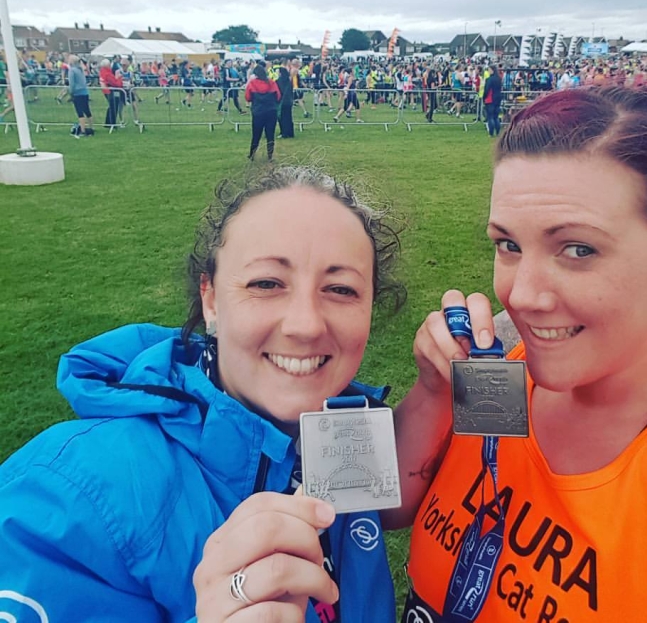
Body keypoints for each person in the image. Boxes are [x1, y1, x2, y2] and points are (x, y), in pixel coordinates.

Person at [400, 86, 647, 622]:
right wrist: (434, 391)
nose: (522, 295)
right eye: (509, 245)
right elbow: (388, 507)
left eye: (578, 249)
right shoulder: (499, 368)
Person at [0, 163, 408, 622]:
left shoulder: (343, 430)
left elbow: (400, 500)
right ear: (211, 299)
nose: (306, 324)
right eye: (266, 283)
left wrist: (436, 387)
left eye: (341, 289)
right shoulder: (66, 499)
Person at [244, 62, 281, 160]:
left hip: (258, 111)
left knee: (256, 134)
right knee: (270, 134)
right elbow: (278, 96)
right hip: (271, 111)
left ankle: (252, 154)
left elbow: (247, 97)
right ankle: (270, 155)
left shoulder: (252, 83)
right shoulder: (271, 83)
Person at [67, 54, 94, 137]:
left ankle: (83, 130)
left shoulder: (72, 70)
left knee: (80, 112)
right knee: (87, 111)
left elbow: (72, 84)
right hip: (85, 92)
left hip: (77, 93)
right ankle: (91, 128)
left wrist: (71, 93)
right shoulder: (80, 69)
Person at [276, 58, 295, 138]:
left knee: (282, 117)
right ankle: (290, 132)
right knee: (289, 117)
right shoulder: (288, 80)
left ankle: (284, 132)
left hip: (282, 101)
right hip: (289, 100)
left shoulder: (279, 81)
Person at [483, 64, 503, 136]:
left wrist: (484, 97)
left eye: (489, 70)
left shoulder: (489, 79)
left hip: (490, 99)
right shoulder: (499, 79)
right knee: (496, 116)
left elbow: (487, 90)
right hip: (498, 99)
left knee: (490, 117)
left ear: (492, 70)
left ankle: (491, 132)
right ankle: (498, 132)